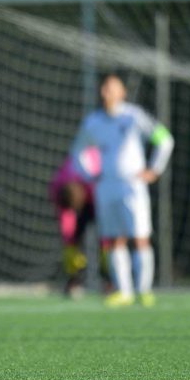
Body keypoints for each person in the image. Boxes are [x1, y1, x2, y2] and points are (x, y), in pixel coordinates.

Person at [70, 72, 174, 308]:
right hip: (106, 186)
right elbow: (77, 152)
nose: (105, 92)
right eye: (104, 87)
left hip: (132, 185)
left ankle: (144, 291)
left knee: (140, 237)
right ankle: (124, 291)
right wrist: (89, 176)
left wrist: (154, 169)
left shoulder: (133, 116)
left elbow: (165, 139)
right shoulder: (93, 122)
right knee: (114, 239)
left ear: (122, 93)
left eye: (111, 88)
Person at [48, 147, 105, 297]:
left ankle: (110, 280)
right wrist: (70, 244)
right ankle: (74, 281)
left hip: (99, 195)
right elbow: (67, 226)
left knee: (106, 238)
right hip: (77, 193)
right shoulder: (58, 187)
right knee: (71, 241)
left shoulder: (93, 181)